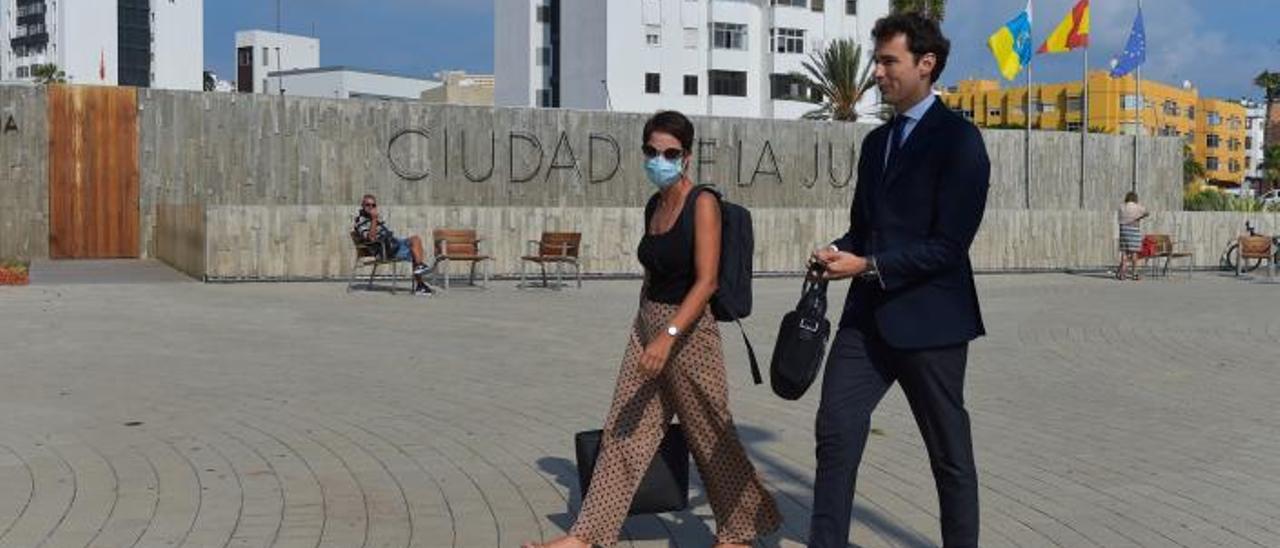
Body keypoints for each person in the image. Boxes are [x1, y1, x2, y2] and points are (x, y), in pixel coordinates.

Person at [523, 111, 781, 548]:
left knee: (710, 432)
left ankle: (741, 530)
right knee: (624, 428)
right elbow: (651, 274)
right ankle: (586, 536)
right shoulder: (654, 205)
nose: (659, 159)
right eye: (651, 152)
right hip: (648, 326)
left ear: (687, 156)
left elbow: (707, 281)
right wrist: (644, 326)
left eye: (670, 153)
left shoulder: (703, 203)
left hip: (690, 335)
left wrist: (669, 336)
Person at [806, 13, 989, 548]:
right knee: (835, 432)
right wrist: (839, 250)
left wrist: (868, 266)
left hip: (931, 322)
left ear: (925, 64)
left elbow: (948, 246)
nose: (878, 73)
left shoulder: (959, 141)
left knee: (948, 455)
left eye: (889, 61)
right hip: (865, 322)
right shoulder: (876, 143)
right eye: (877, 60)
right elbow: (868, 228)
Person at [353, 194, 435, 295]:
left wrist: (375, 219)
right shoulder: (360, 221)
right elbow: (372, 238)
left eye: (373, 205)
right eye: (368, 205)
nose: (370, 207)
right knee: (415, 250)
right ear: (362, 205)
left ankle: (419, 269)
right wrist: (374, 219)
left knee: (416, 239)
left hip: (391, 243)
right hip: (383, 250)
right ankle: (420, 284)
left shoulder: (374, 218)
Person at [1116, 191, 1149, 281]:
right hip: (1134, 231)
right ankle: (1134, 273)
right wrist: (1139, 218)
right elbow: (1147, 212)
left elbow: (1119, 218)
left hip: (1123, 231)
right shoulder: (1137, 207)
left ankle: (1123, 274)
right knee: (1134, 253)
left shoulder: (1122, 207)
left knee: (1124, 252)